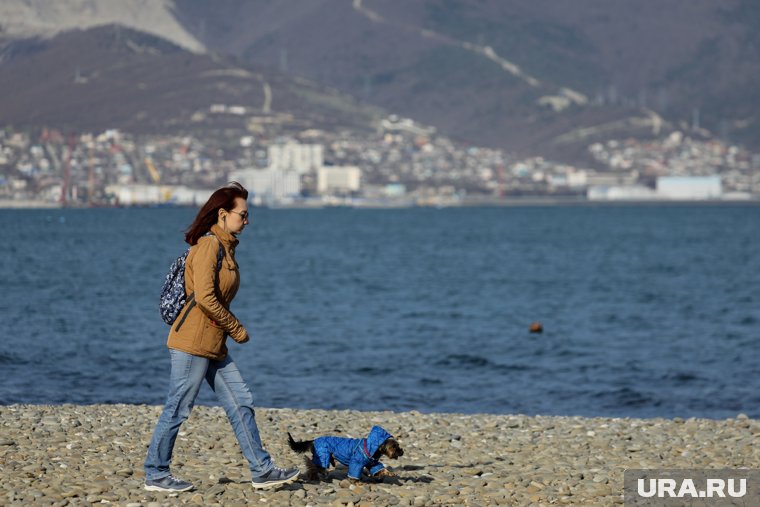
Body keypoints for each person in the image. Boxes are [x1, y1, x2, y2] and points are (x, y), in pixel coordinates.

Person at [144, 182, 299, 492]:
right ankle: (156, 473)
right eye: (243, 214)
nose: (247, 220)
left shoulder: (226, 247)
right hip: (192, 342)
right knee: (178, 408)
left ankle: (262, 470)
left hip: (213, 342)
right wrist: (236, 327)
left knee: (241, 402)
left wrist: (226, 331)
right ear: (223, 214)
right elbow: (204, 297)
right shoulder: (209, 246)